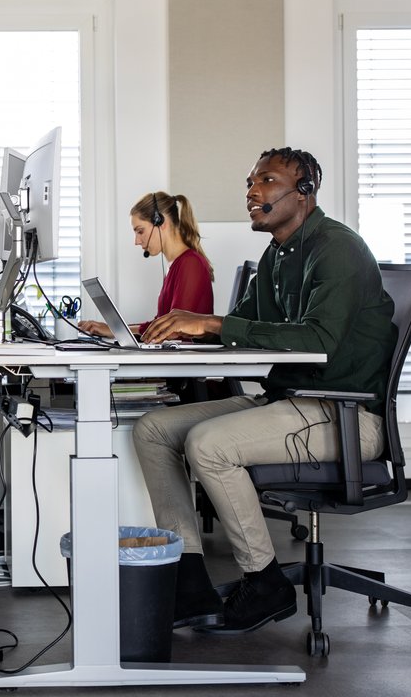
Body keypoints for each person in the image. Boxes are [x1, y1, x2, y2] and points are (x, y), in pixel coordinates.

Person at [131, 148, 396, 634]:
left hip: (345, 416)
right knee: (153, 429)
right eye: (250, 182)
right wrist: (186, 328)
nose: (252, 192)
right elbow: (246, 327)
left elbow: (319, 340)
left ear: (305, 192)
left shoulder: (337, 249)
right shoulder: (278, 254)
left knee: (208, 445)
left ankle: (264, 581)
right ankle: (188, 583)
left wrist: (211, 321)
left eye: (267, 181)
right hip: (291, 402)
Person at [78, 191, 214, 338]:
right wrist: (114, 329)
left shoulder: (190, 263)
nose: (136, 241)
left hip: (187, 359)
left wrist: (113, 331)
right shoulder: (174, 265)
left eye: (140, 231)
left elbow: (176, 330)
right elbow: (160, 324)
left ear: (161, 222)